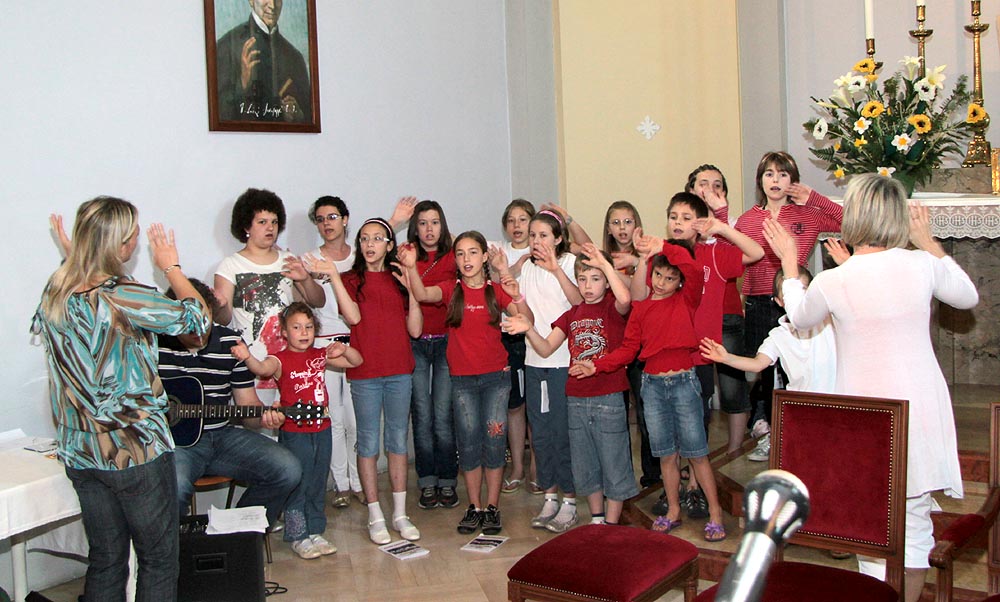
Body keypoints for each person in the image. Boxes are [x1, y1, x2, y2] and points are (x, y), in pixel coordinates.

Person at [771, 173, 978, 602]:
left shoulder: (835, 279)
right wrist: (929, 243)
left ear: (854, 217)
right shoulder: (921, 264)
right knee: (914, 523)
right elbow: (967, 296)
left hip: (865, 414)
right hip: (918, 406)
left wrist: (790, 261)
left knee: (868, 523)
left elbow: (801, 318)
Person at [33, 197, 209, 600]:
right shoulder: (123, 294)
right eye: (131, 236)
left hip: (81, 451)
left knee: (106, 558)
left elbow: (86, 293)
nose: (135, 243)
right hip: (135, 450)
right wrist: (172, 268)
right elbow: (198, 324)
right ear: (117, 244)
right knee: (158, 560)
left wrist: (73, 255)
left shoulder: (58, 288)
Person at [578, 234, 727, 542]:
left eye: (670, 278)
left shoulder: (686, 299)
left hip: (684, 383)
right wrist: (598, 365)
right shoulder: (641, 309)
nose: (661, 282)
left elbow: (694, 270)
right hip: (652, 387)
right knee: (666, 454)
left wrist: (665, 247)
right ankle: (673, 510)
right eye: (658, 275)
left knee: (697, 453)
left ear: (679, 282)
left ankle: (715, 513)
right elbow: (628, 349)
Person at [401, 231, 531, 534]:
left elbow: (526, 320)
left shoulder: (495, 291)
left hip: (497, 380)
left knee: (494, 442)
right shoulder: (451, 289)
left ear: (484, 256)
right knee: (469, 444)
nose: (466, 259)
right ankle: (475, 507)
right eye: (460, 254)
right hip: (462, 381)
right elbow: (422, 294)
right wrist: (410, 266)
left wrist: (515, 295)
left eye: (472, 252)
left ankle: (493, 507)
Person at [304, 218, 423, 545]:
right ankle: (375, 514)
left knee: (397, 441)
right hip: (365, 373)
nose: (370, 244)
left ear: (389, 244)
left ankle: (400, 514)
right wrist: (333, 276)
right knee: (368, 442)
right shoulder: (349, 279)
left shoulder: (399, 277)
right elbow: (353, 317)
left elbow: (415, 330)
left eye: (377, 238)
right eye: (365, 239)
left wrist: (412, 290)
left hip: (400, 370)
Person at [506, 243, 636, 525]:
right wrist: (529, 329)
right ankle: (597, 520)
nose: (588, 286)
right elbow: (545, 348)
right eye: (583, 279)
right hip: (576, 399)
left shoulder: (612, 307)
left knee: (613, 461)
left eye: (596, 278)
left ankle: (611, 524)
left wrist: (605, 265)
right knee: (585, 464)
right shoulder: (572, 314)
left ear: (606, 280)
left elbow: (626, 298)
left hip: (608, 397)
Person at [159, 278, 301, 534]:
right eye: (188, 321)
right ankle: (174, 553)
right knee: (174, 487)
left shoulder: (231, 343)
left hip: (222, 436)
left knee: (287, 469)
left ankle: (235, 536)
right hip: (176, 445)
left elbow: (248, 408)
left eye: (203, 320)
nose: (197, 330)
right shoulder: (154, 344)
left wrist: (265, 417)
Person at [655, 192, 763, 519]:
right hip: (666, 356)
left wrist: (722, 228)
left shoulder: (713, 254)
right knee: (668, 427)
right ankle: (673, 487)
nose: (678, 223)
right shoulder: (662, 254)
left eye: (687, 218)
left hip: (700, 355)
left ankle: (694, 486)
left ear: (700, 223)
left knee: (696, 425)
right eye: (674, 216)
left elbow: (756, 252)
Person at [233, 301, 363, 559]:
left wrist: (344, 348)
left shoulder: (320, 355)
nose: (304, 332)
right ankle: (297, 535)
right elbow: (261, 369)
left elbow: (357, 362)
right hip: (295, 432)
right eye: (296, 327)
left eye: (309, 327)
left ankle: (315, 530)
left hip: (322, 429)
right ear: (284, 332)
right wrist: (247, 356)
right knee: (298, 484)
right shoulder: (279, 359)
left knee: (317, 482)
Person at [735, 152, 842, 459]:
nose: (775, 180)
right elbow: (735, 262)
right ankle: (768, 433)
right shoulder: (748, 219)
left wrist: (814, 198)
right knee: (766, 371)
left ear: (793, 181)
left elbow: (850, 221)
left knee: (794, 372)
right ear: (760, 181)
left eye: (783, 174)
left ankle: (798, 431)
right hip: (759, 302)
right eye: (769, 174)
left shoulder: (808, 215)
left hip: (795, 302)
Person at [215, 188, 325, 402]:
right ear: (246, 226)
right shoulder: (230, 265)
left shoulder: (288, 259)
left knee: (295, 417)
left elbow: (317, 301)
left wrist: (305, 278)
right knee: (258, 419)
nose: (270, 228)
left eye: (274, 222)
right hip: (250, 362)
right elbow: (223, 318)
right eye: (262, 222)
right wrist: (218, 304)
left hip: (292, 363)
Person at [516, 210, 583, 532]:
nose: (536, 241)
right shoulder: (527, 268)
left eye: (543, 235)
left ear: (557, 238)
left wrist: (556, 270)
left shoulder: (569, 263)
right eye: (533, 235)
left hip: (563, 361)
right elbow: (526, 313)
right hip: (534, 360)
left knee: (561, 433)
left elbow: (580, 303)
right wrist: (513, 294)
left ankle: (569, 500)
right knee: (540, 433)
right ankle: (550, 495)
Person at [405, 200, 460, 510]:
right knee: (422, 414)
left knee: (442, 415)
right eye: (423, 223)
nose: (429, 229)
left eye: (435, 222)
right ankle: (427, 480)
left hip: (446, 343)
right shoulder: (406, 255)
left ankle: (448, 479)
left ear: (443, 225)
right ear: (415, 227)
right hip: (414, 342)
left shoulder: (453, 257)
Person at [487, 199, 537, 495]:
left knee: (537, 407)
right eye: (511, 220)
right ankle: (517, 466)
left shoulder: (541, 248)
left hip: (540, 333)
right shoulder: (497, 251)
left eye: (523, 219)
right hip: (509, 336)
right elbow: (493, 287)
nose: (517, 226)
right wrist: (511, 268)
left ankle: (537, 468)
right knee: (515, 406)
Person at [216, 0, 312, 122]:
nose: (272, 5)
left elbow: (310, 119)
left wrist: (298, 116)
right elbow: (219, 115)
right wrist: (242, 83)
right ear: (251, 1)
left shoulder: (295, 58)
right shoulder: (226, 47)